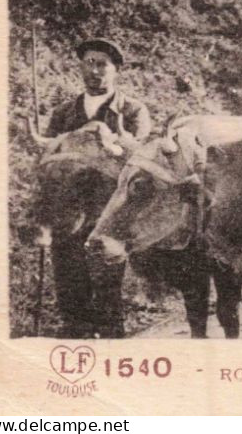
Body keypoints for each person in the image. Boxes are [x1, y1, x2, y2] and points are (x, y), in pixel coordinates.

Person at [43, 37, 152, 339]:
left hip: (110, 208)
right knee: (68, 277)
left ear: (116, 70)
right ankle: (75, 332)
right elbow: (50, 158)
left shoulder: (132, 110)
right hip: (69, 209)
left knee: (106, 281)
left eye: (102, 64)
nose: (94, 71)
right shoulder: (63, 113)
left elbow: (141, 155)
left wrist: (112, 140)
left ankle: (110, 337)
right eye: (88, 63)